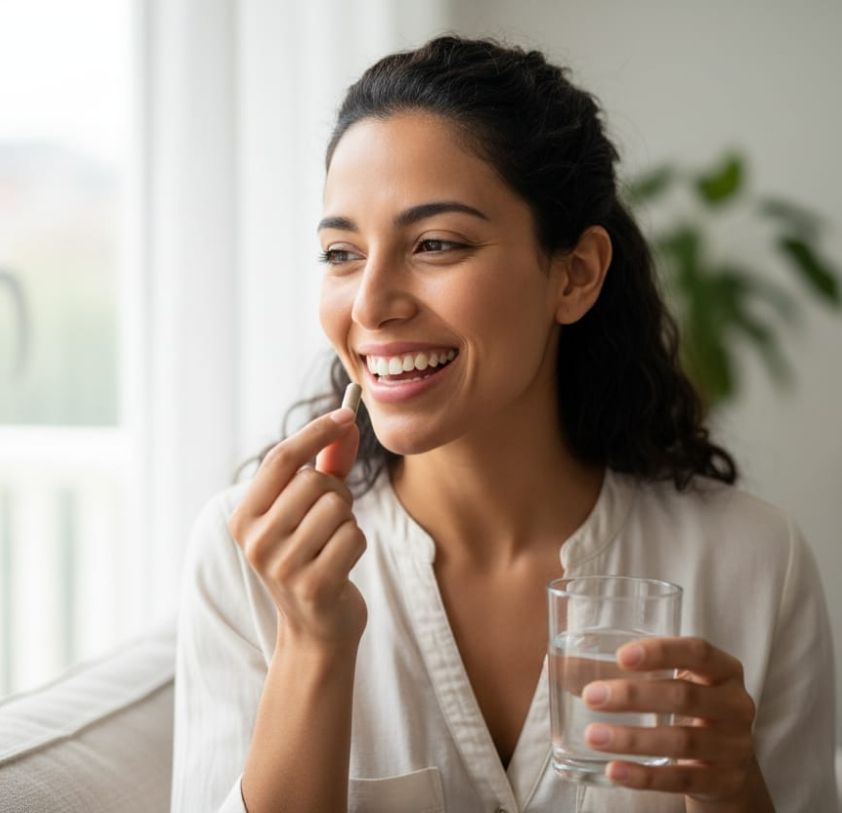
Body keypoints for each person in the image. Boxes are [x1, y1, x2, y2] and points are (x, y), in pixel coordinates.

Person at [169, 35, 838, 813]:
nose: (370, 304)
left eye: (435, 244)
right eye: (341, 253)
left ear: (575, 274)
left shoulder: (756, 564)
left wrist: (734, 790)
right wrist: (313, 648)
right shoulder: (246, 558)